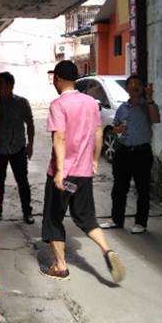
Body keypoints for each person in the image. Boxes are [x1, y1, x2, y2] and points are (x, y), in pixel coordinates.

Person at [40, 61, 125, 283]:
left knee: (53, 218)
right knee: (86, 218)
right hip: (83, 174)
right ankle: (107, 249)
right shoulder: (90, 103)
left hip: (63, 174)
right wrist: (94, 160)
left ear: (58, 79)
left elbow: (59, 137)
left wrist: (60, 171)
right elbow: (98, 133)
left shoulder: (58, 104)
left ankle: (60, 267)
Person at [99, 74, 161, 234]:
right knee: (119, 188)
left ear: (143, 88)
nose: (134, 86)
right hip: (123, 152)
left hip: (142, 152)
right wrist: (117, 129)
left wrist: (150, 99)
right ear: (127, 88)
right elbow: (115, 127)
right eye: (131, 84)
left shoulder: (147, 106)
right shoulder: (122, 108)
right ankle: (116, 220)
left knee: (143, 189)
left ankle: (140, 223)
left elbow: (156, 119)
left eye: (138, 84)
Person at [0, 71, 35, 224]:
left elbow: (30, 124)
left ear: (10, 85)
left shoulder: (21, 103)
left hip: (18, 149)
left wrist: (30, 145)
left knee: (22, 182)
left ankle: (27, 212)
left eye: (0, 83)